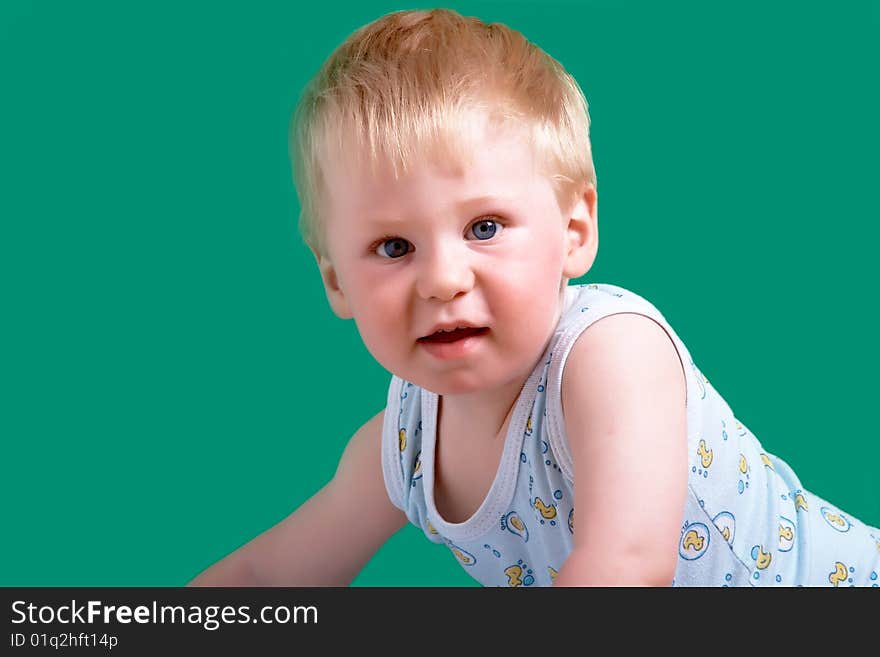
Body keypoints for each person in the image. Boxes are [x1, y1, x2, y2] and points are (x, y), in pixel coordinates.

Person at [189, 8, 880, 587]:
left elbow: (626, 565)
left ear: (575, 231)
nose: (442, 279)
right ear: (336, 280)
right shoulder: (400, 444)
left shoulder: (610, 354)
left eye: (483, 228)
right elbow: (267, 578)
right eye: (394, 247)